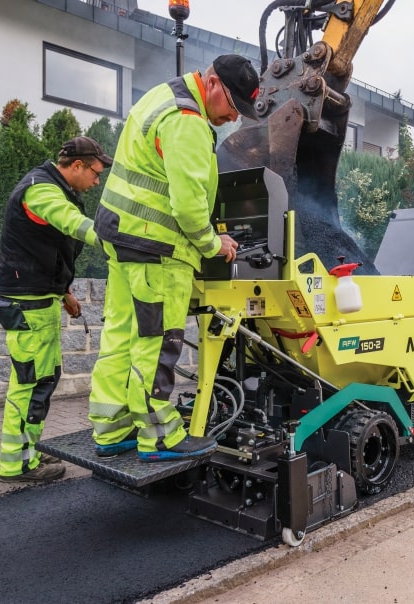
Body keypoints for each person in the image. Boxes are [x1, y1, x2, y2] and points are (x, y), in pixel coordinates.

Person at [88, 55, 259, 461]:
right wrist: (215, 245)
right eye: (232, 105)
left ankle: (111, 429)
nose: (232, 117)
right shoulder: (188, 121)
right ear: (213, 84)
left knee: (121, 336)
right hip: (156, 248)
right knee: (158, 342)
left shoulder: (161, 96)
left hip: (122, 238)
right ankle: (160, 437)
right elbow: (186, 206)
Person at [0, 136, 113, 482]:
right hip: (27, 305)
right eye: (95, 172)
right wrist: (119, 238)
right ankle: (15, 464)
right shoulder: (41, 190)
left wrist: (64, 293)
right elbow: (68, 222)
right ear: (76, 165)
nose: (96, 181)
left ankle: (26, 455)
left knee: (41, 378)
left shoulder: (55, 188)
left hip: (38, 300)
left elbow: (48, 248)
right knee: (30, 383)